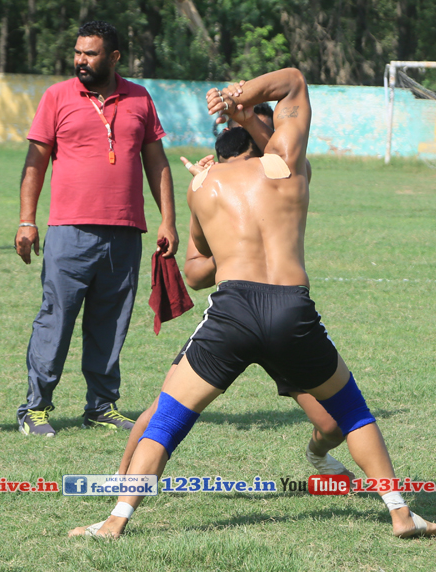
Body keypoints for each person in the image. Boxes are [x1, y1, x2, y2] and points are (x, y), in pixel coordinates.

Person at [71, 68, 436, 540]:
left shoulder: (203, 185)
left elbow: (195, 273)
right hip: (291, 309)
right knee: (353, 414)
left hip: (234, 311)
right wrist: (239, 98)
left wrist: (222, 216)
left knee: (167, 419)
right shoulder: (291, 168)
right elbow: (293, 81)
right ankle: (399, 513)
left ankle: (115, 521)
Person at [119, 100, 350, 479]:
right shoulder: (210, 186)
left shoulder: (289, 174)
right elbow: (195, 274)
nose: (276, 141)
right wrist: (232, 241)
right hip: (235, 317)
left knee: (334, 425)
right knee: (165, 410)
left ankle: (318, 457)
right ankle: (118, 480)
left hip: (283, 319)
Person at [14, 20, 178, 436]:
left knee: (112, 322)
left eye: (90, 53)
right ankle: (35, 408)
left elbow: (156, 162)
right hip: (70, 230)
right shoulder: (57, 96)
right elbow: (35, 163)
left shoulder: (139, 97)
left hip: (125, 230)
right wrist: (27, 220)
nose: (81, 60)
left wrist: (169, 220)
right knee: (56, 318)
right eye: (78, 52)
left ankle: (101, 406)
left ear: (114, 57)